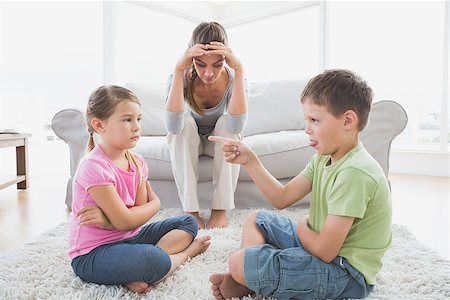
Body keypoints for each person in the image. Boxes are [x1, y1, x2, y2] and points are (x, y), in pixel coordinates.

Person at [208, 69, 392, 299]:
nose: (307, 129)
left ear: (348, 120)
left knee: (239, 261)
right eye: (307, 120)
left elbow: (325, 251)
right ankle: (249, 279)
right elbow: (282, 198)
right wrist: (250, 160)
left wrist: (303, 228)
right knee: (256, 219)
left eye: (314, 120)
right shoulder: (324, 158)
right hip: (318, 242)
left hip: (345, 272)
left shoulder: (355, 172)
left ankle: (248, 277)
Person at [69, 85, 211, 294]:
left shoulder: (137, 162)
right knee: (151, 259)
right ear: (99, 125)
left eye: (138, 119)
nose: (136, 127)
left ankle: (131, 270)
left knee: (187, 222)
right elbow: (127, 220)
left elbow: (137, 216)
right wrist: (154, 205)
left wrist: (112, 220)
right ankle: (184, 255)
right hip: (92, 254)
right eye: (127, 120)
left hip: (130, 237)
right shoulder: (93, 167)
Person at [164, 21, 248, 229]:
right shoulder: (180, 76)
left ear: (225, 59)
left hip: (217, 141)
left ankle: (220, 212)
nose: (209, 74)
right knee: (184, 124)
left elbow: (236, 127)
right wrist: (177, 70)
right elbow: (173, 127)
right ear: (191, 59)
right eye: (201, 65)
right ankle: (191, 212)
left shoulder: (234, 78)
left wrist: (239, 69)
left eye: (217, 65)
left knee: (227, 125)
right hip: (190, 139)